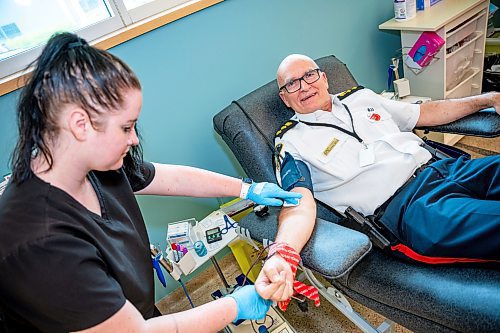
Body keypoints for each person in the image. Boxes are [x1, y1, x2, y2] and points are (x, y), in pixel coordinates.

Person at [0, 33, 302, 333]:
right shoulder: (39, 243)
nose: (134, 139)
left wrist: (245, 189)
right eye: (126, 127)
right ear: (80, 124)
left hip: (132, 313)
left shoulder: (86, 162)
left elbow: (165, 177)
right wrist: (235, 305)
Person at [255, 53, 500, 307]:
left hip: (446, 169)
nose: (304, 86)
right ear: (285, 98)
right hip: (412, 210)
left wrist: (488, 99)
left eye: (309, 75)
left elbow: (423, 113)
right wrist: (283, 254)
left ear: (324, 78)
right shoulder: (291, 142)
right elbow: (298, 203)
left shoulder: (361, 97)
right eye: (292, 84)